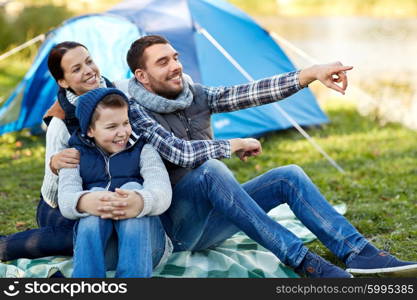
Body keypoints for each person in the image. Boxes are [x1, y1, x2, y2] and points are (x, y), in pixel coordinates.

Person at [108, 34, 417, 278]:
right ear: (142, 76)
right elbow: (178, 151)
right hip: (177, 229)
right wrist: (232, 144)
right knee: (211, 169)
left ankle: (358, 252)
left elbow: (252, 91)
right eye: (163, 62)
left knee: (289, 175)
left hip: (216, 221)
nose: (175, 65)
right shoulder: (132, 109)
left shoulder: (195, 94)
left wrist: (311, 73)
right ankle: (303, 261)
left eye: (176, 57)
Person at [0, 41, 259, 262]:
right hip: (60, 202)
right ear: (63, 81)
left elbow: (157, 90)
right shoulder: (60, 124)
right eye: (77, 69)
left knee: (121, 226)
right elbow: (54, 190)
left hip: (114, 188)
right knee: (80, 235)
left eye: (89, 61)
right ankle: (5, 246)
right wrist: (56, 165)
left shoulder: (121, 91)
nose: (89, 71)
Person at [57, 88, 172, 278]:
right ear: (90, 130)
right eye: (111, 127)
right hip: (103, 253)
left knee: (132, 189)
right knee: (93, 198)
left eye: (126, 123)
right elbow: (66, 200)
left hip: (148, 250)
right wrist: (86, 201)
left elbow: (162, 191)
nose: (122, 133)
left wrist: (140, 201)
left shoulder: (143, 149)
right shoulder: (74, 155)